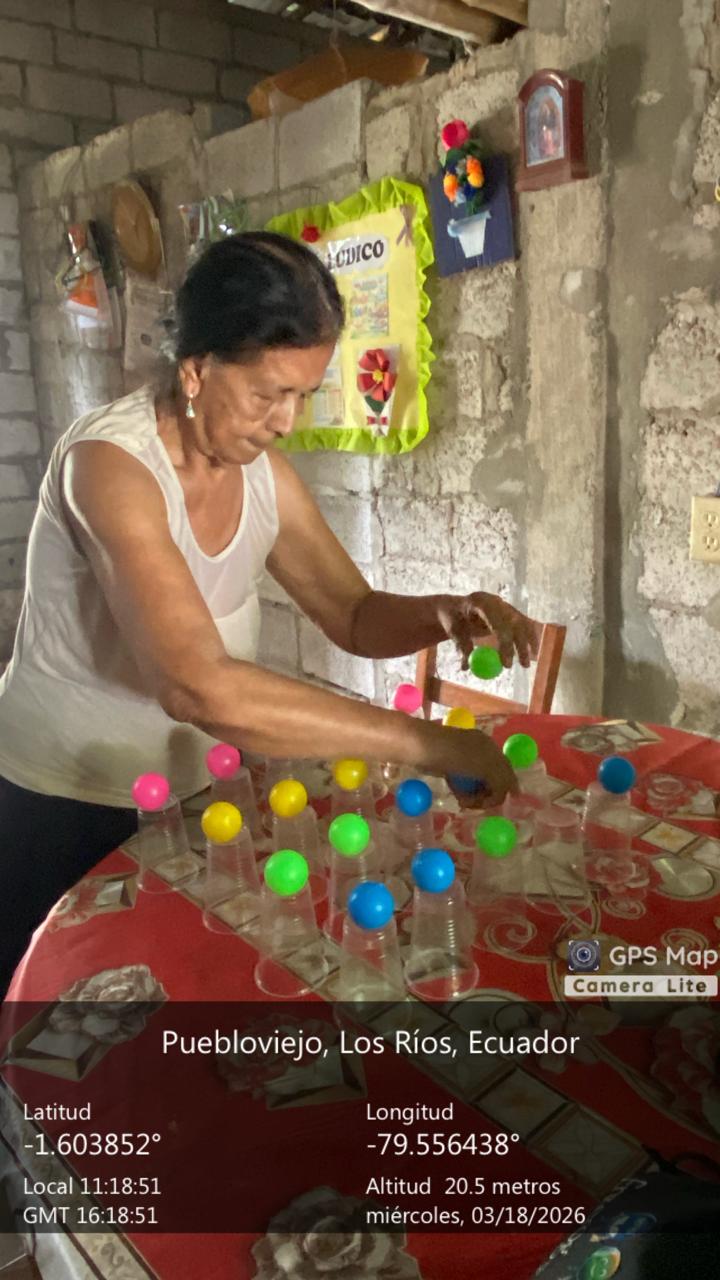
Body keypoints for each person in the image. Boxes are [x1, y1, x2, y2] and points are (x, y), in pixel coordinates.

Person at [0, 231, 537, 995]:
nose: (288, 420)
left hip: (191, 797)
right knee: (51, 1019)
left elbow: (352, 613)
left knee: (174, 1009)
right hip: (64, 803)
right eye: (269, 394)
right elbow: (198, 687)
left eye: (304, 395)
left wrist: (444, 614)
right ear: (195, 370)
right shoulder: (110, 467)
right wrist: (431, 743)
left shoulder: (261, 475)